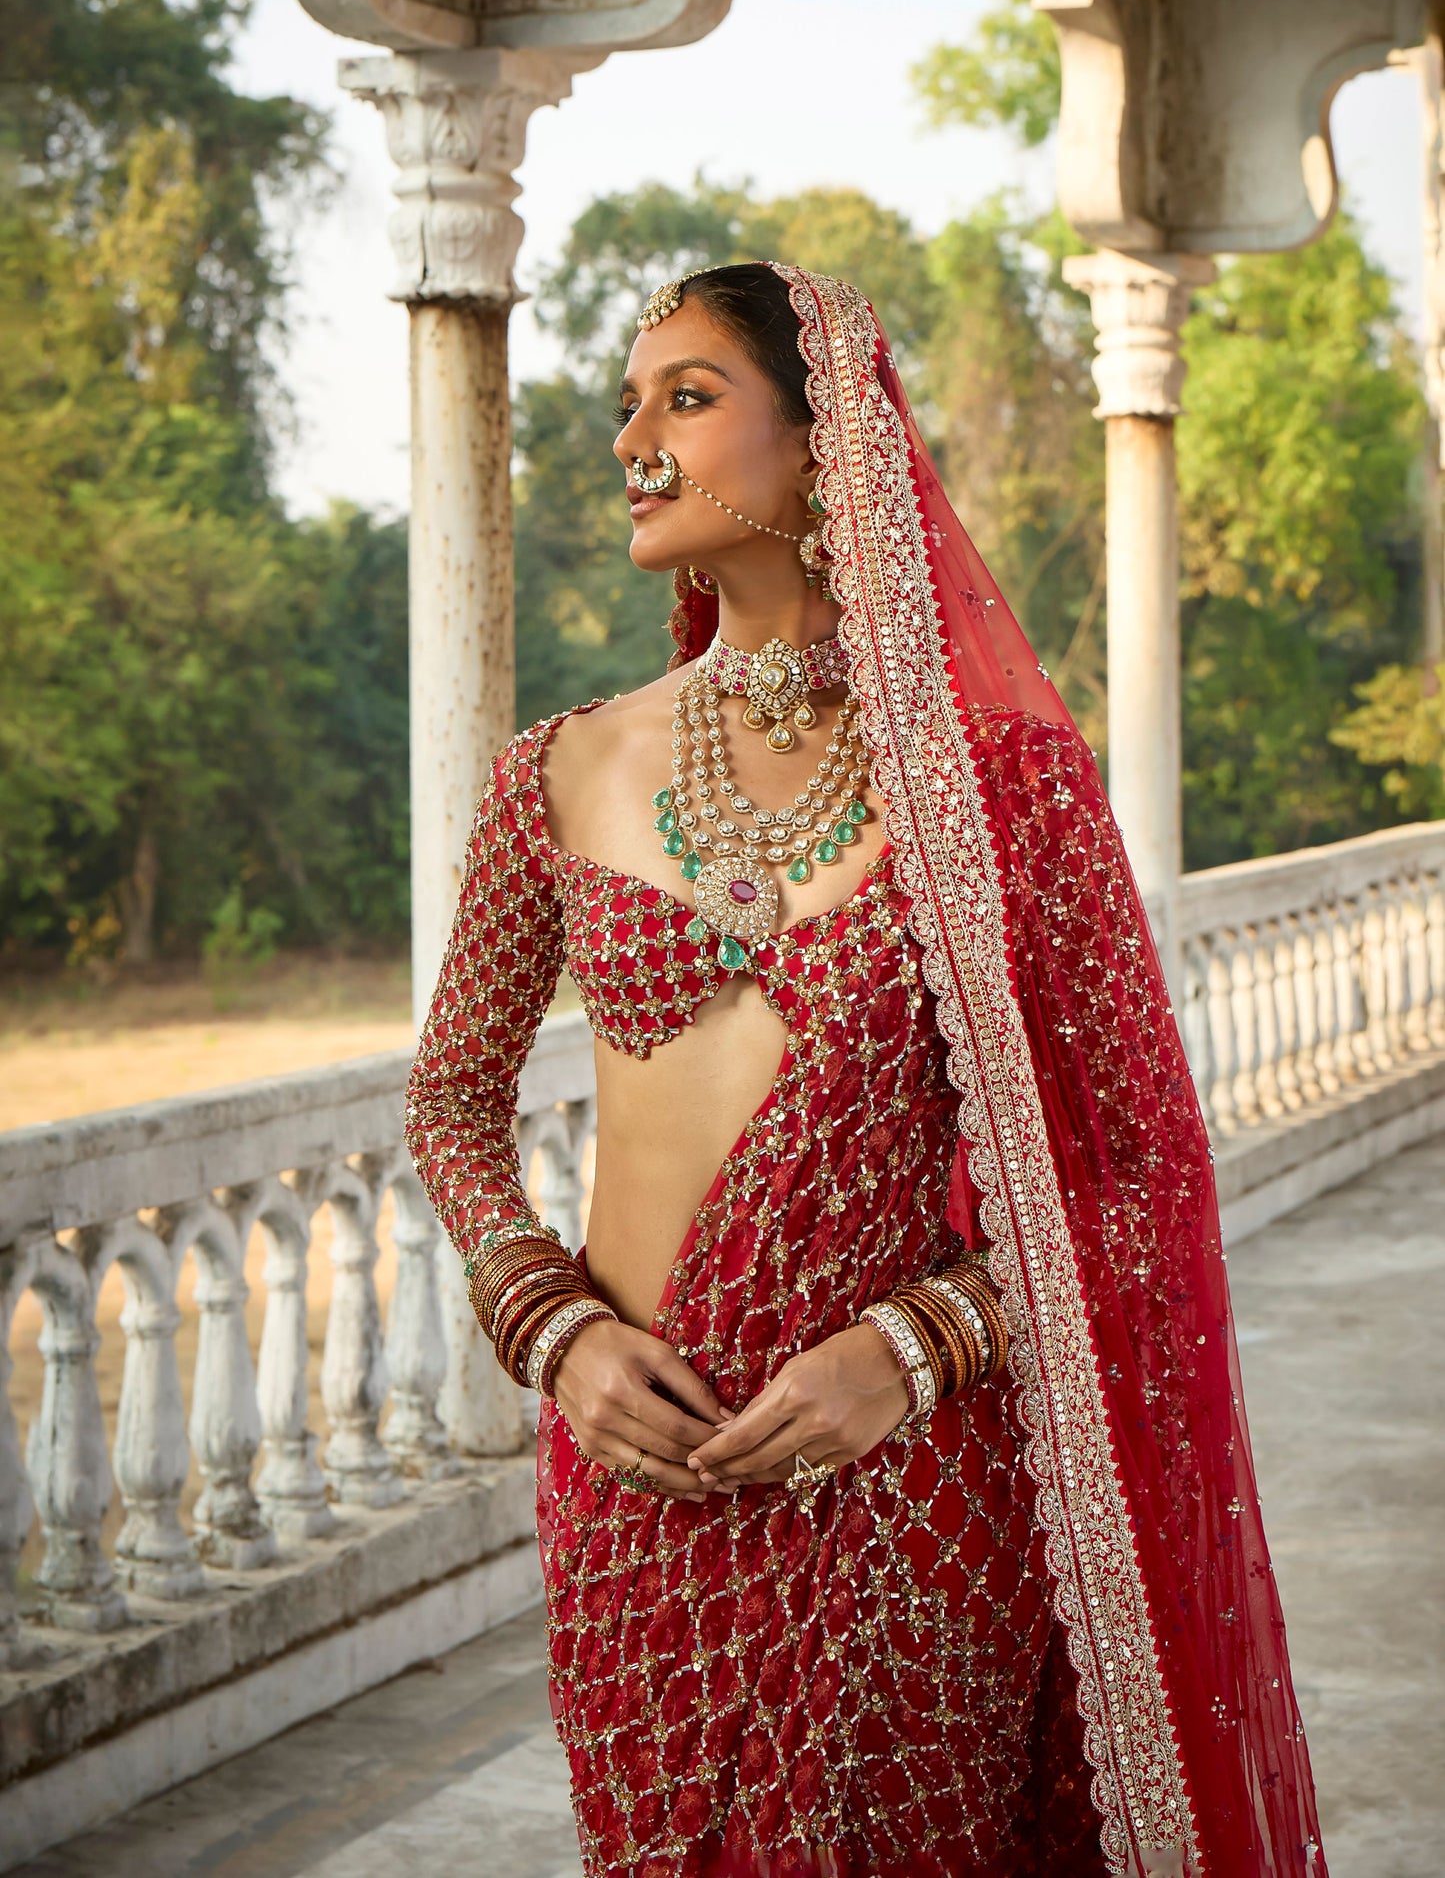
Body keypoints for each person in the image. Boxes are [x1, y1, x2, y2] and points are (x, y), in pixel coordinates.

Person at [406, 263, 1327, 1877]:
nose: (631, 440)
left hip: (913, 1480)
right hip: (641, 1487)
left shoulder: (1001, 783)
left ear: (826, 441)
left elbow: (1132, 1173)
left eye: (686, 400)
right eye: (628, 402)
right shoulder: (557, 769)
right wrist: (552, 1334)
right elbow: (451, 1103)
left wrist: (905, 1352)